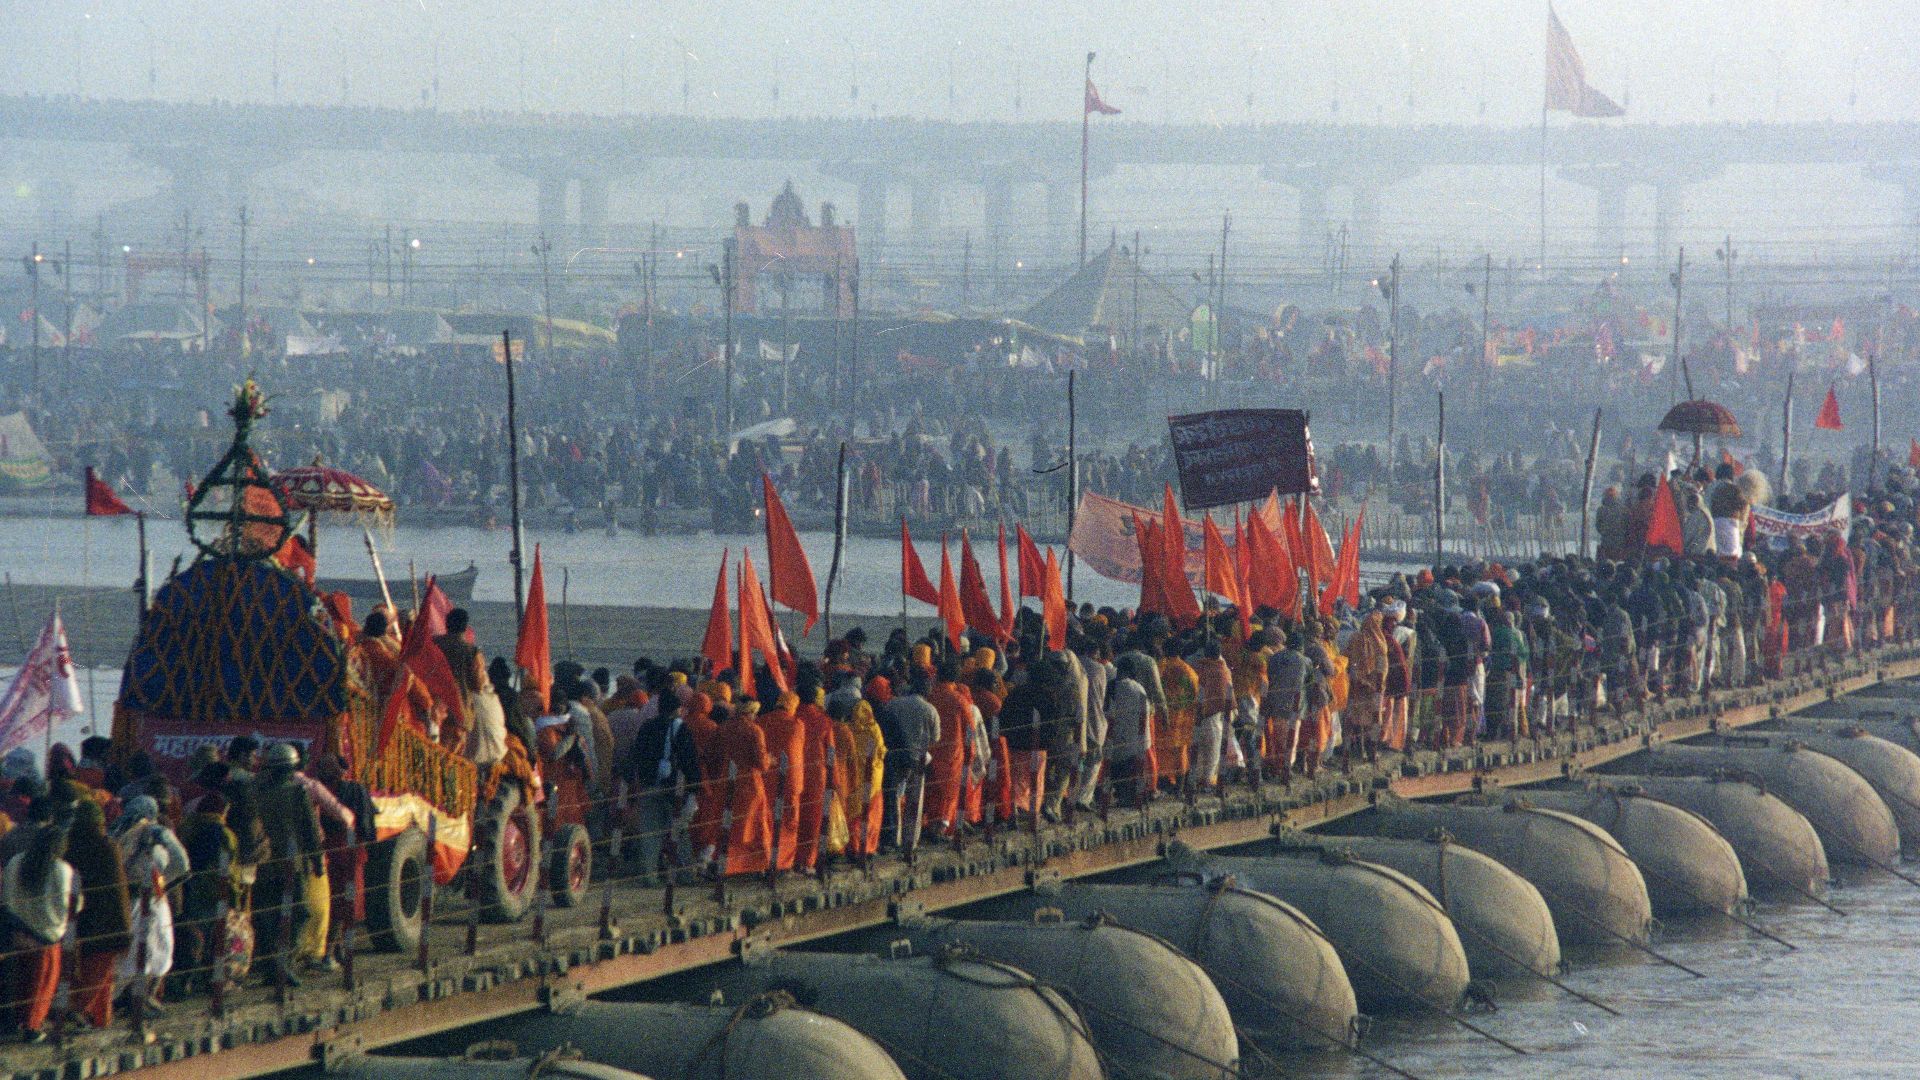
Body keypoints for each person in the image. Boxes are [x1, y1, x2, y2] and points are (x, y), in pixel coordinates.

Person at [1, 810, 78, 1043]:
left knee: (20, 981)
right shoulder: (62, 869)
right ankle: (32, 1028)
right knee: (43, 983)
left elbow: (6, 897)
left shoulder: (16, 861)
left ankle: (16, 1023)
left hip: (16, 930)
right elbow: (69, 903)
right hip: (47, 933)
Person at [251, 742, 321, 988]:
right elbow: (310, 830)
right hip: (293, 864)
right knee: (299, 913)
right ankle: (283, 963)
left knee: (268, 917)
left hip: (265, 864)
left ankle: (272, 966)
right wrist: (317, 860)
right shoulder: (298, 793)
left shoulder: (257, 792)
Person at [110, 795, 187, 1012]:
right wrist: (162, 882)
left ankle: (127, 999)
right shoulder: (155, 833)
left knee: (132, 953)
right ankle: (141, 999)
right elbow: (182, 864)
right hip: (152, 900)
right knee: (158, 949)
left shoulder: (116, 831)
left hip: (125, 901)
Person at [65, 796, 130, 1029]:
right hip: (110, 924)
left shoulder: (70, 846)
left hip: (83, 923)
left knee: (90, 975)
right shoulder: (108, 846)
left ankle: (86, 1015)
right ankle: (93, 1017)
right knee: (101, 974)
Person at [627, 692, 699, 883]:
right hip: (673, 790)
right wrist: (693, 790)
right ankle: (685, 875)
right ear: (677, 709)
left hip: (648, 785)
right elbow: (689, 761)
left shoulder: (647, 726)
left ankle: (649, 876)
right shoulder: (681, 728)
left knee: (650, 834)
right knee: (678, 832)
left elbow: (635, 755)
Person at [718, 699, 773, 876]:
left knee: (730, 825)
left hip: (727, 782)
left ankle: (728, 866)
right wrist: (771, 760)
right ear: (750, 713)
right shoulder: (754, 730)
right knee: (755, 826)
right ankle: (754, 866)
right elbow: (762, 763)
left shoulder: (724, 728)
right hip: (750, 783)